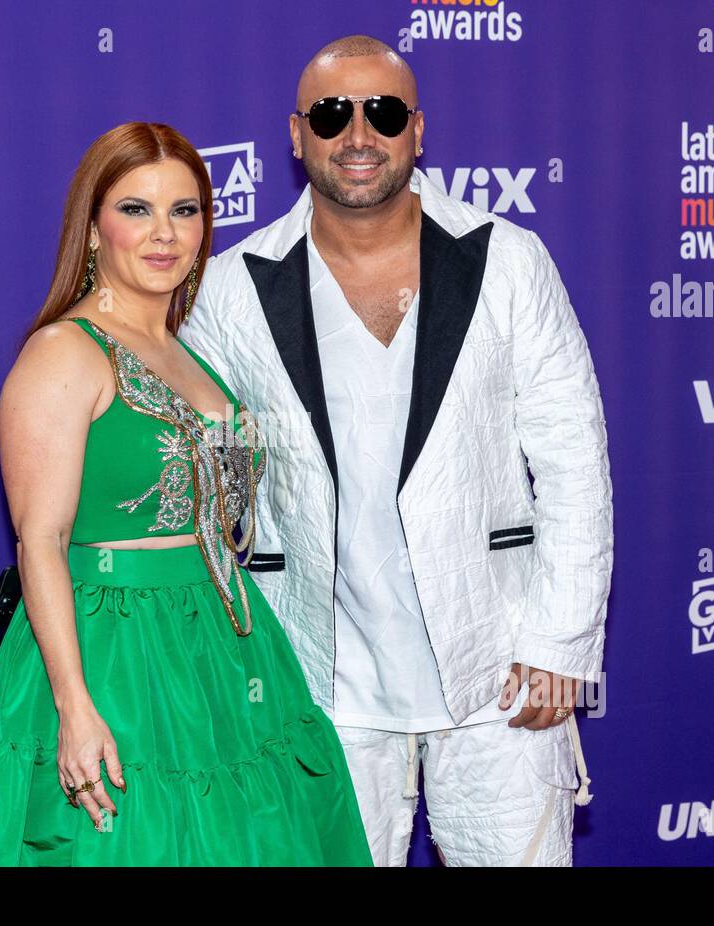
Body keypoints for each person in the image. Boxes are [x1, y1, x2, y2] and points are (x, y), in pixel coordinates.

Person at [178, 35, 614, 866]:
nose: (358, 134)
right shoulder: (234, 287)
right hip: (317, 680)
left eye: (382, 111)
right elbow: (204, 481)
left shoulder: (507, 260)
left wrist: (561, 644)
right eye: (332, 114)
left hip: (501, 669)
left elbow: (573, 461)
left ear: (418, 130)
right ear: (296, 134)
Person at [0, 122, 374, 866]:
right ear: (93, 229)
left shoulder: (188, 351)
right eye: (136, 210)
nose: (164, 234)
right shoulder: (63, 352)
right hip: (114, 651)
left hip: (227, 648)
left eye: (185, 211)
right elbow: (40, 541)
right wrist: (74, 705)